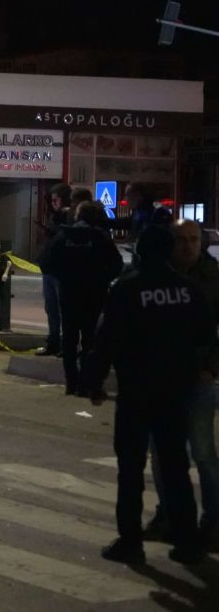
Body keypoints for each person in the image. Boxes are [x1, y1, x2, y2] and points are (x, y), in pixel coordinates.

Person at [83, 225, 216, 566]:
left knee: (131, 470)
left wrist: (94, 382)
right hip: (177, 392)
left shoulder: (128, 287)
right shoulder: (187, 289)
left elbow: (107, 338)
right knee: (175, 468)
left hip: (136, 392)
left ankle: (131, 542)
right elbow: (206, 334)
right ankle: (187, 542)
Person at [142, 219, 219, 547]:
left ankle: (214, 522)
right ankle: (169, 514)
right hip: (160, 379)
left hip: (198, 378)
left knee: (202, 450)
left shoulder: (213, 278)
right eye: (181, 240)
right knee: (162, 453)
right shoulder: (155, 276)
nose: (188, 246)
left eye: (193, 240)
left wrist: (211, 367)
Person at [39, 201, 125, 395]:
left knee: (69, 338)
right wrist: (101, 279)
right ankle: (87, 383)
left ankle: (71, 383)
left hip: (69, 293)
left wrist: (63, 277)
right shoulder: (100, 238)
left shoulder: (64, 236)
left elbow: (46, 262)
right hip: (95, 294)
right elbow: (116, 265)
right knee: (90, 339)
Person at [36, 183, 73, 355]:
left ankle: (67, 345)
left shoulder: (69, 216)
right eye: (52, 201)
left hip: (62, 270)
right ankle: (53, 342)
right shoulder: (55, 216)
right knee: (51, 309)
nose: (54, 204)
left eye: (56, 200)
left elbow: (65, 237)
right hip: (50, 269)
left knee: (63, 309)